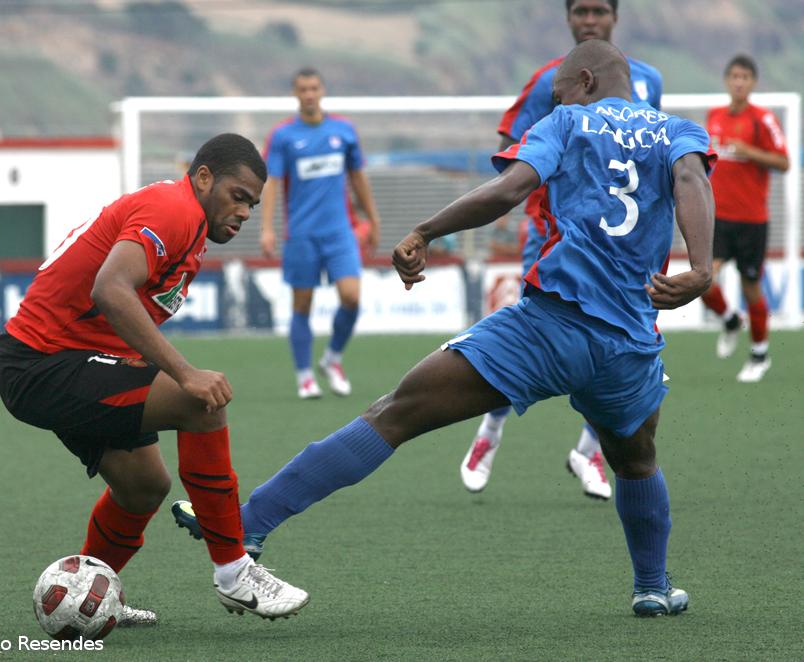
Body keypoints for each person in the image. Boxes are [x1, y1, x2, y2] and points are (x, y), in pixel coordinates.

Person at [175, 40, 716, 616]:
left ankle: (247, 525)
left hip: (550, 326)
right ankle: (653, 588)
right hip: (628, 341)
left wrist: (427, 231)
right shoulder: (677, 131)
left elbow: (509, 190)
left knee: (395, 413)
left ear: (582, 81)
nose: (554, 100)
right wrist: (702, 268)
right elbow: (691, 181)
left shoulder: (568, 119)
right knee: (635, 460)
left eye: (557, 91)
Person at [0, 134, 310, 623]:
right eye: (238, 196)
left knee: (143, 485)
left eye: (252, 204)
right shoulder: (174, 210)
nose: (245, 212)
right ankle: (234, 572)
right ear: (204, 177)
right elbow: (110, 288)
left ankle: (90, 597)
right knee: (202, 401)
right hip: (42, 364)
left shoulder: (191, 230)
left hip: (71, 362)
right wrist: (184, 374)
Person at [462, 0, 664, 499]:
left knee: (622, 345)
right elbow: (513, 146)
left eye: (598, 11)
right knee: (527, 335)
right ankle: (489, 432)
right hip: (558, 239)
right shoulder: (550, 80)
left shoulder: (649, 81)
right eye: (580, 11)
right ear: (568, 19)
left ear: (615, 17)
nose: (589, 19)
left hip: (628, 248)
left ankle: (589, 450)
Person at [260, 67, 381, 399]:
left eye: (314, 88)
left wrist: (373, 219)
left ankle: (332, 359)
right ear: (295, 94)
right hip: (301, 234)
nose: (309, 94)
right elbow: (272, 183)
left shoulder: (343, 130)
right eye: (303, 89)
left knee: (352, 297)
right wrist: (267, 228)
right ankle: (304, 376)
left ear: (322, 90)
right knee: (303, 305)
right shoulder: (283, 136)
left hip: (340, 232)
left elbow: (358, 177)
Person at [700, 54, 789, 383]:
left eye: (745, 77)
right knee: (704, 279)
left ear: (753, 83)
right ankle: (729, 320)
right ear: (726, 80)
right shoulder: (714, 116)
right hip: (719, 216)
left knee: (751, 286)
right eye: (734, 76)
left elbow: (784, 162)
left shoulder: (762, 120)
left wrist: (748, 151)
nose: (739, 82)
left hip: (752, 219)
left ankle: (759, 353)